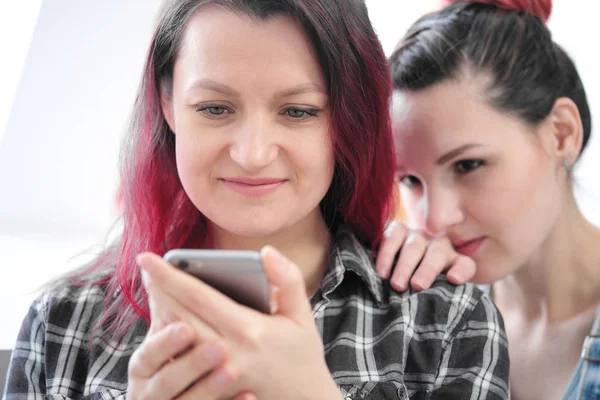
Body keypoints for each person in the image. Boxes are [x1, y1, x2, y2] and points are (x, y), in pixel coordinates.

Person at [4, 0, 509, 399]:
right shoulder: (64, 322)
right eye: (216, 107)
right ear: (167, 103)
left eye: (297, 111)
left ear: (347, 118)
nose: (252, 154)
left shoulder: (444, 321)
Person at [378, 0, 600, 399]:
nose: (434, 220)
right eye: (410, 180)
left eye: (468, 165)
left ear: (562, 134)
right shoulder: (420, 320)